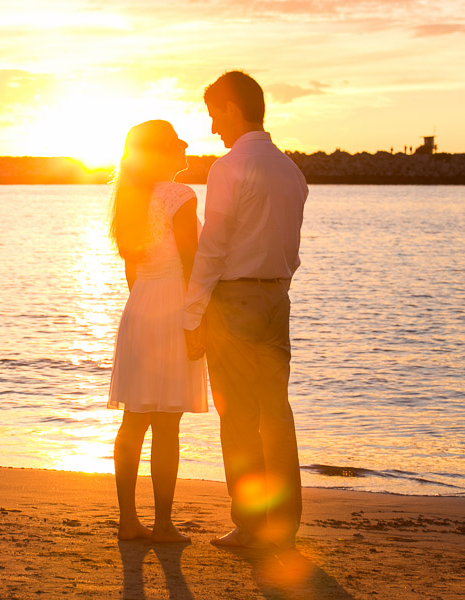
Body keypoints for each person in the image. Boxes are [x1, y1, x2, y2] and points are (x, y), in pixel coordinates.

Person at [183, 71, 308, 549]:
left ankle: (252, 525)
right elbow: (291, 248)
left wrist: (192, 313)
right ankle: (284, 525)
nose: (213, 127)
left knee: (238, 417)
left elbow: (213, 247)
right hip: (277, 298)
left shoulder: (228, 167)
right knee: (276, 414)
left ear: (233, 109)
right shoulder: (291, 170)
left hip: (235, 301)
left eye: (215, 115)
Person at [107, 120, 208, 543]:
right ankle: (163, 524)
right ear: (163, 151)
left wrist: (145, 301)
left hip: (140, 306)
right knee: (167, 424)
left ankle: (128, 522)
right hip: (172, 306)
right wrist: (196, 318)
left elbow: (132, 271)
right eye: (177, 142)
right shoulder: (179, 195)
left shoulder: (129, 199)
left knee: (134, 420)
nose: (185, 147)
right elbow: (192, 262)